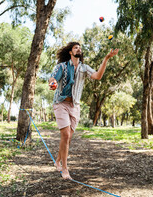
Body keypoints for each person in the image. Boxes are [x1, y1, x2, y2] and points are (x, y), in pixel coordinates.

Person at [49, 41, 119, 180]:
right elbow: (53, 78)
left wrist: (106, 59)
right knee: (66, 135)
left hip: (75, 105)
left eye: (80, 48)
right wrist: (53, 83)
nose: (79, 49)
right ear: (70, 52)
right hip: (61, 103)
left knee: (67, 138)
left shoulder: (83, 68)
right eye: (76, 47)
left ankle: (57, 161)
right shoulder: (61, 66)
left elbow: (98, 76)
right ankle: (65, 168)